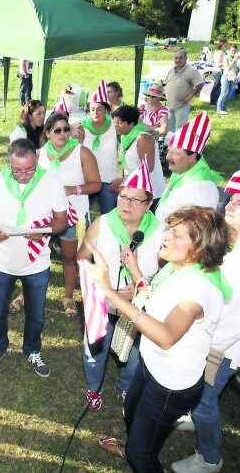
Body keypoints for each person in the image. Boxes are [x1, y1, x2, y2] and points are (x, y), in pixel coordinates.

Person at [86, 206, 230, 472]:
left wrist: (108, 291)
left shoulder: (198, 288)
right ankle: (132, 445)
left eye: (176, 235)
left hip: (170, 385)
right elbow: (153, 299)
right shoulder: (178, 269)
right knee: (130, 411)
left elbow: (166, 337)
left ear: (199, 247)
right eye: (168, 231)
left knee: (143, 456)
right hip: (150, 365)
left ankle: (136, 452)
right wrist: (135, 269)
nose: (165, 238)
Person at [0, 139, 68, 376]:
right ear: (8, 162)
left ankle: (32, 350)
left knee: (36, 314)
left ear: (37, 159)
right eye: (17, 170)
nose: (25, 175)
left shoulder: (51, 182)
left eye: (30, 169)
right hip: (2, 261)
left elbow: (62, 221)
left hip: (36, 261)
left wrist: (45, 231)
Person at [77, 159, 163, 411]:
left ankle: (126, 386)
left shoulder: (159, 233)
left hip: (138, 309)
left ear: (148, 205)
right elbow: (81, 258)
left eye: (136, 200)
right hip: (102, 304)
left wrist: (140, 288)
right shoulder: (101, 223)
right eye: (123, 196)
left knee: (135, 355)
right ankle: (94, 388)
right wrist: (106, 290)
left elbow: (163, 275)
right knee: (95, 350)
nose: (126, 203)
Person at [171, 170, 240, 473]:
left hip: (223, 347)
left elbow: (233, 318)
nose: (233, 202)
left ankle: (210, 457)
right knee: (196, 391)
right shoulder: (230, 240)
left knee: (205, 399)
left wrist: (210, 348)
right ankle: (191, 415)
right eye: (234, 197)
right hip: (209, 337)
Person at [37, 112, 101, 319]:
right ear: (47, 133)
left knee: (69, 256)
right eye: (57, 130)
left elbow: (96, 184)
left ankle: (68, 296)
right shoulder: (39, 155)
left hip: (74, 215)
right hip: (45, 214)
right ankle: (27, 294)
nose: (63, 134)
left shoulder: (81, 152)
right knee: (37, 253)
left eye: (66, 129)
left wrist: (72, 189)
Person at [155, 112, 221, 228]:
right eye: (169, 151)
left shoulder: (200, 191)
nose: (168, 157)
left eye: (175, 153)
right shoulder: (182, 171)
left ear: (193, 156)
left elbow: (192, 231)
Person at [75, 81, 118, 215]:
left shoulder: (115, 126)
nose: (96, 112)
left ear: (106, 109)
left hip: (108, 180)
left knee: (109, 216)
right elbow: (77, 152)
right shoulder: (81, 127)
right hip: (87, 179)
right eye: (92, 109)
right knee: (81, 217)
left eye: (99, 109)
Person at [112, 105, 165, 209]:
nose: (115, 125)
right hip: (134, 190)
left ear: (131, 123)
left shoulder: (143, 138)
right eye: (115, 122)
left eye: (119, 123)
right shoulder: (126, 136)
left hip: (150, 194)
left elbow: (148, 168)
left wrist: (124, 180)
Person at [164, 48, 204, 133]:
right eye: (176, 58)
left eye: (180, 58)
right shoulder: (171, 70)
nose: (177, 60)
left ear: (186, 58)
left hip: (181, 105)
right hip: (169, 104)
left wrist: (189, 96)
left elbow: (200, 84)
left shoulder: (191, 71)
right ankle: (170, 144)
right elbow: (167, 84)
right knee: (170, 128)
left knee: (180, 129)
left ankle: (178, 145)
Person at [216, 43, 239, 115]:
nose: (233, 52)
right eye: (232, 51)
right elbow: (227, 69)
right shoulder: (226, 57)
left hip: (233, 77)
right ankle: (219, 109)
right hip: (226, 77)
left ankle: (223, 108)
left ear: (237, 51)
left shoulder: (237, 58)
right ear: (229, 50)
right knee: (224, 93)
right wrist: (234, 61)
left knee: (228, 93)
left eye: (235, 51)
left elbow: (237, 69)